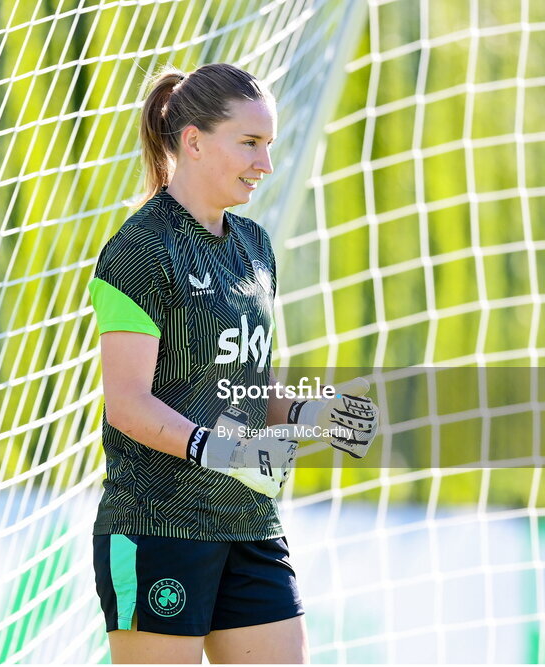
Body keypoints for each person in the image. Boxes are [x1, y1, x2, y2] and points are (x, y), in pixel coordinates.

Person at [88, 63, 380, 664]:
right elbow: (126, 404)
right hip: (158, 526)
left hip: (250, 521)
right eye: (250, 143)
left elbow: (247, 390)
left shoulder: (256, 247)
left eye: (268, 145)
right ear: (193, 141)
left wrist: (313, 411)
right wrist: (224, 451)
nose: (265, 164)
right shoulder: (137, 250)